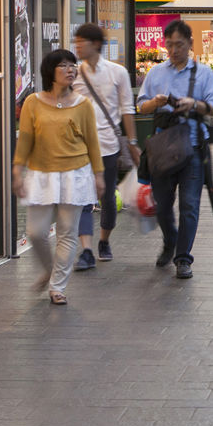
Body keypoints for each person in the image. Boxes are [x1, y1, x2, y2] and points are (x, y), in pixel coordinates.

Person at [15, 49, 105, 305]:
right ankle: (48, 269)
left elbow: (92, 143)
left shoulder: (83, 104)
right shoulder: (33, 102)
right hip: (42, 174)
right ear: (50, 72)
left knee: (67, 233)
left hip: (75, 174)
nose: (70, 70)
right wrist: (17, 169)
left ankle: (57, 286)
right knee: (35, 232)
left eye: (73, 65)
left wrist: (99, 175)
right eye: (64, 65)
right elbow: (26, 140)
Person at [137, 19, 213, 279]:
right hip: (163, 148)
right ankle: (170, 240)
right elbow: (142, 106)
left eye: (179, 45)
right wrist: (156, 101)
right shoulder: (156, 73)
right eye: (170, 45)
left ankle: (183, 258)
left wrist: (192, 104)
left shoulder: (204, 73)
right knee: (162, 205)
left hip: (193, 147)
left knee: (189, 205)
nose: (173, 50)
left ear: (190, 44)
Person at [70, 24, 139, 269]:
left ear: (96, 44)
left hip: (108, 145)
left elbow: (127, 110)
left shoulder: (117, 72)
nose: (77, 46)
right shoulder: (74, 74)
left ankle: (104, 240)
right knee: (83, 198)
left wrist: (132, 142)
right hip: (79, 147)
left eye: (81, 42)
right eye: (75, 42)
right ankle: (86, 250)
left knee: (107, 198)